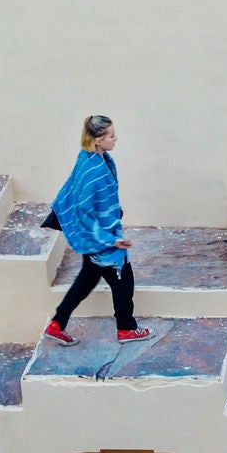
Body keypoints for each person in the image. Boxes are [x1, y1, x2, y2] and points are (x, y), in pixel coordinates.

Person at [43, 114, 146, 345]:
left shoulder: (95, 158)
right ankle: (126, 329)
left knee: (87, 279)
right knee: (123, 279)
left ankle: (57, 324)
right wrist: (110, 240)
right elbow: (84, 209)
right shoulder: (93, 170)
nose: (115, 138)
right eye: (111, 135)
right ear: (98, 139)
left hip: (98, 236)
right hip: (98, 239)